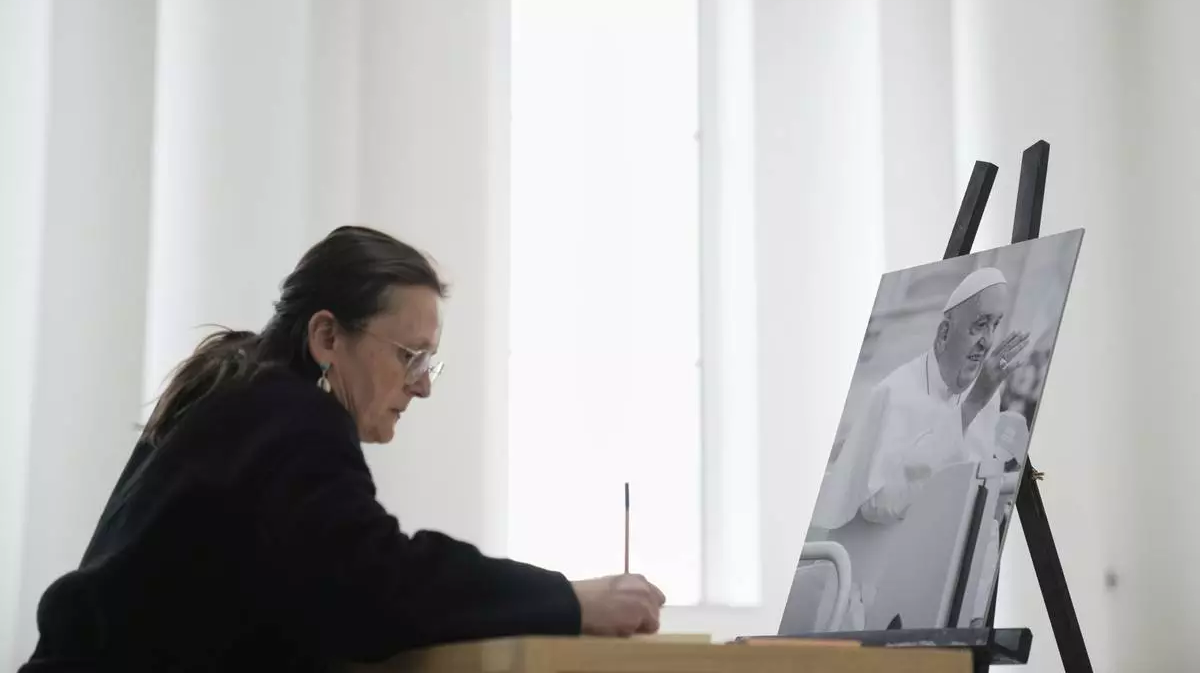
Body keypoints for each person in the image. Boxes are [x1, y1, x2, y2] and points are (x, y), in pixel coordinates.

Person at [21, 226, 665, 672]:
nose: (421, 387)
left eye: (429, 363)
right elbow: (376, 584)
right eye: (410, 356)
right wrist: (572, 600)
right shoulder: (289, 413)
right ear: (328, 336)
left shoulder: (236, 392)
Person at [811, 267, 1029, 530]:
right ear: (944, 333)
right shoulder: (894, 392)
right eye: (980, 325)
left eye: (995, 325)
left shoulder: (989, 397)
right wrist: (970, 408)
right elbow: (879, 503)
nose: (988, 341)